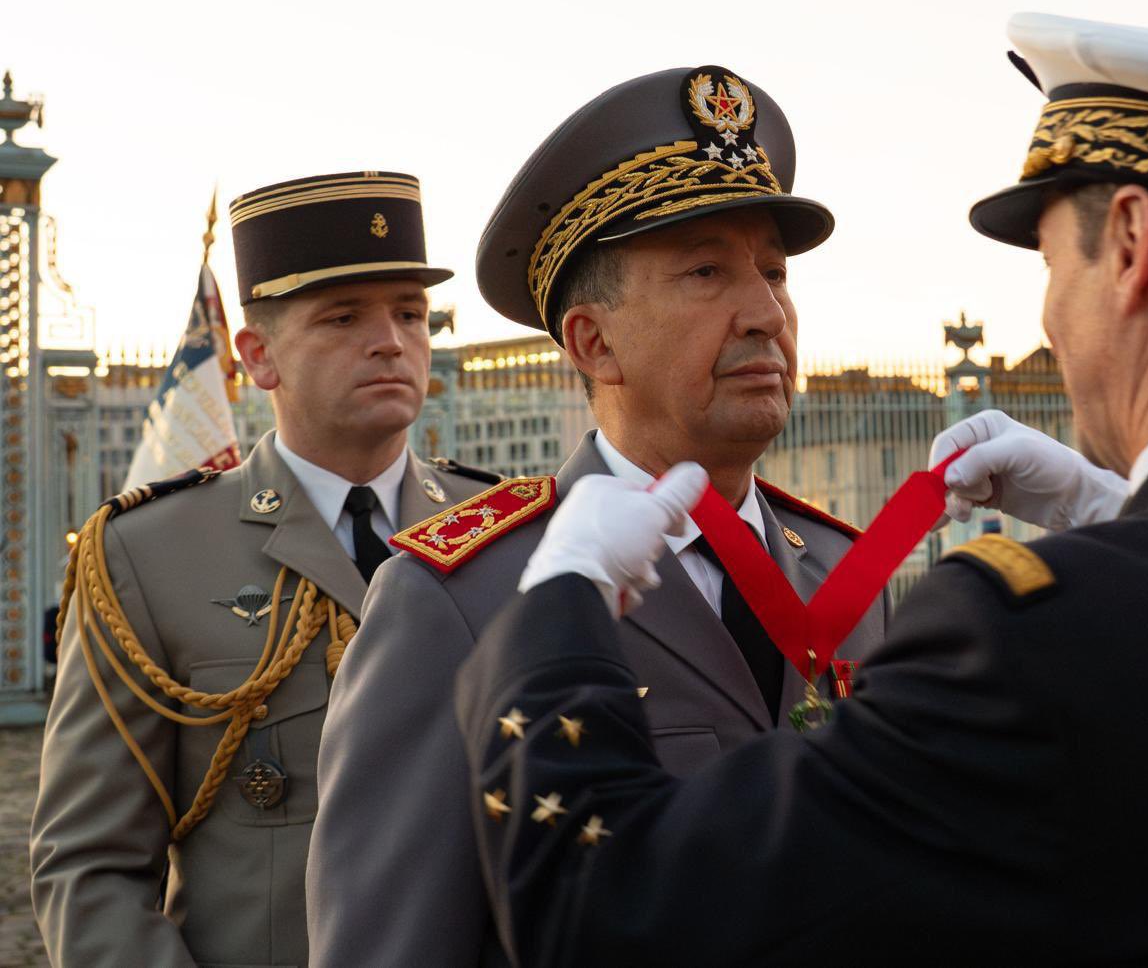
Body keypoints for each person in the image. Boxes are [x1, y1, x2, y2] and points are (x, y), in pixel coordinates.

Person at [454, 15, 1148, 966]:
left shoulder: (1030, 634)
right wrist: (1135, 517)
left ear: (1131, 243)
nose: (1047, 315)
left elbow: (609, 912)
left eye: (1051, 263)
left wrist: (559, 604)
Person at [307, 67, 891, 968]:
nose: (767, 313)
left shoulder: (847, 575)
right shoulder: (461, 598)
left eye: (775, 273)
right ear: (593, 341)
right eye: (707, 272)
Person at [30, 172, 495, 968]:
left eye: (410, 313)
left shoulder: (504, 531)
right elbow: (90, 867)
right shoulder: (151, 554)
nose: (391, 340)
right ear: (258, 356)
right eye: (343, 317)